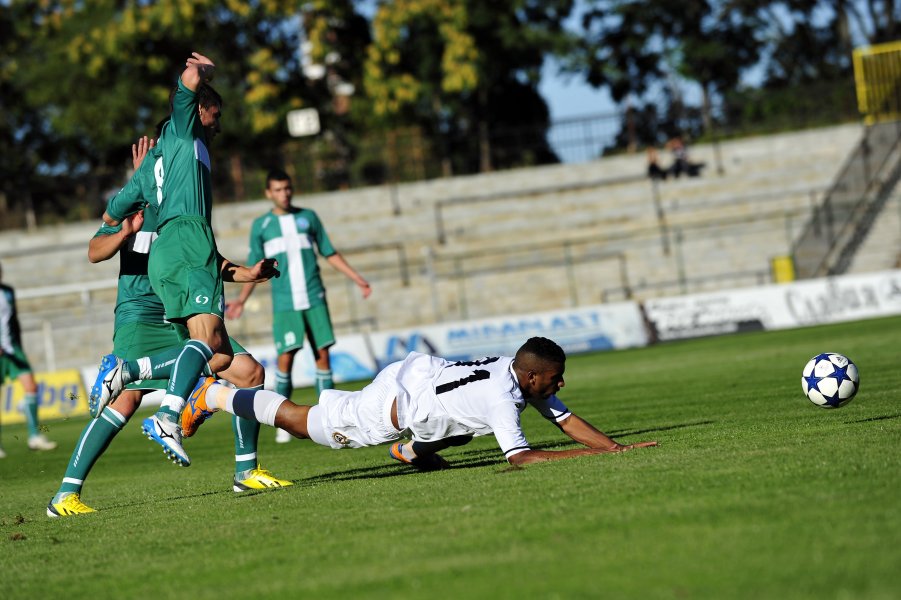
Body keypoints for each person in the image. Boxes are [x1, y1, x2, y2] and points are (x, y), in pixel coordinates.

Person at [47, 138, 291, 518]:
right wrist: (124, 232)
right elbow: (94, 252)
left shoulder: (182, 207)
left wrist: (247, 273)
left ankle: (246, 470)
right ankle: (65, 495)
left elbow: (208, 259)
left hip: (180, 307)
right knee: (125, 402)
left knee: (250, 372)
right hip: (139, 315)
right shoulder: (131, 204)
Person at [90, 52, 278, 467]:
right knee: (209, 346)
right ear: (197, 112)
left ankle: (245, 469)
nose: (219, 123)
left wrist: (245, 271)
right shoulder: (182, 132)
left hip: (179, 249)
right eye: (215, 114)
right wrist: (202, 72)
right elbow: (187, 81)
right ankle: (163, 409)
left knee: (226, 358)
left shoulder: (162, 163)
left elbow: (108, 215)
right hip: (186, 238)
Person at [181, 337, 658, 468]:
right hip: (391, 407)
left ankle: (409, 452)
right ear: (531, 375)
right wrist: (596, 455)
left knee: (462, 428)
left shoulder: (514, 372)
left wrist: (613, 448)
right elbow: (524, 458)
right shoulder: (502, 397)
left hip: (418, 381)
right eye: (554, 380)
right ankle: (214, 393)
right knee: (306, 424)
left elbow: (566, 419)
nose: (560, 387)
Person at [225, 169, 371, 443]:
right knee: (286, 359)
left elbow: (329, 252)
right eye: (278, 190)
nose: (284, 194)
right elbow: (253, 268)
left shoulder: (308, 217)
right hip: (285, 303)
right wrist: (242, 300)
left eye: (287, 188)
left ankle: (329, 417)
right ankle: (284, 422)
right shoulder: (262, 226)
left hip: (314, 298)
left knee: (323, 356)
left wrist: (358, 279)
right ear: (269, 193)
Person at [0, 262, 57, 457]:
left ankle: (34, 437)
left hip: (12, 348)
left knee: (31, 386)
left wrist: (18, 346)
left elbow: (13, 321)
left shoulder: (8, 292)